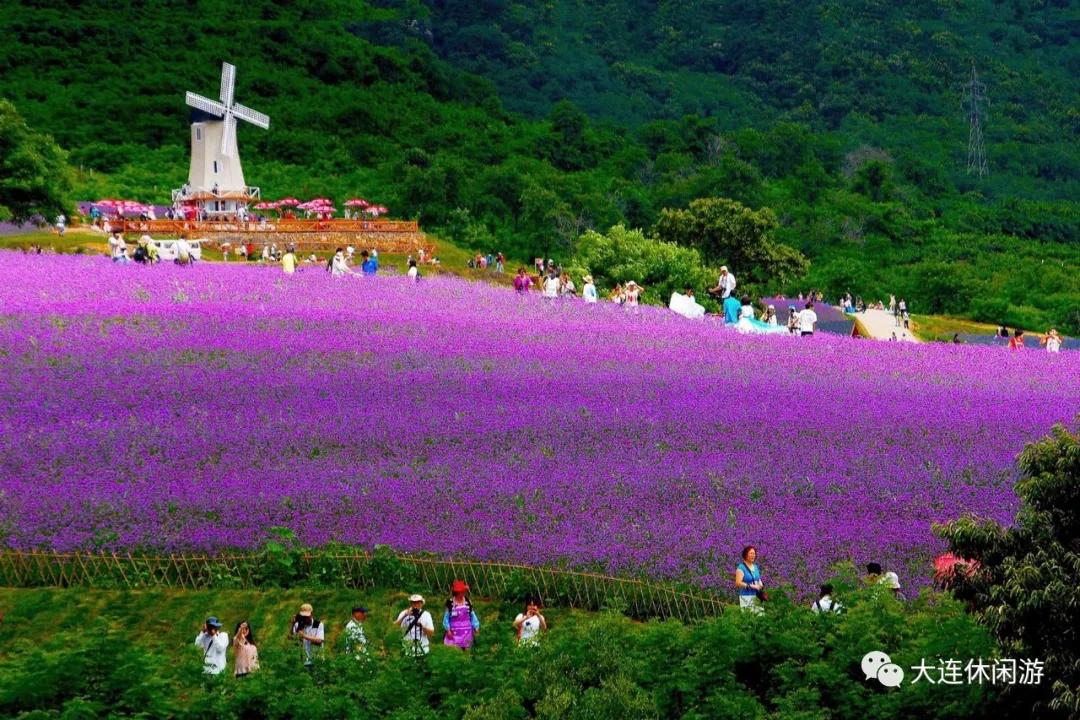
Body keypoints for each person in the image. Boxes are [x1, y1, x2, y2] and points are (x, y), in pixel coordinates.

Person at [443, 579, 481, 650]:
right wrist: (448, 630)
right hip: (454, 632)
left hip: (467, 632)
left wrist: (476, 626)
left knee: (467, 649)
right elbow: (446, 618)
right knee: (454, 650)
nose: (462, 594)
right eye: (460, 592)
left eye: (463, 592)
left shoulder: (467, 602)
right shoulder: (450, 603)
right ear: (456, 592)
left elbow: (472, 615)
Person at [734, 546, 764, 612]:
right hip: (746, 597)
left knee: (760, 617)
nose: (753, 555)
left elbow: (758, 578)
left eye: (754, 554)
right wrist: (751, 586)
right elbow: (737, 583)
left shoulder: (755, 567)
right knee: (749, 618)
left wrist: (760, 584)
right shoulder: (741, 568)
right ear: (745, 555)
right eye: (751, 553)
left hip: (757, 596)